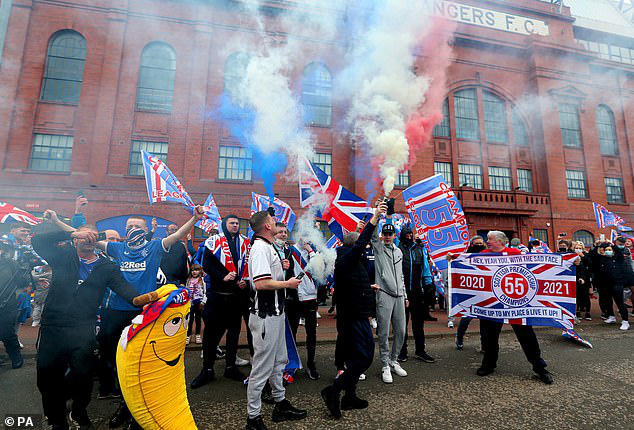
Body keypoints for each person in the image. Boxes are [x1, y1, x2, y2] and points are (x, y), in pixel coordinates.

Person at [92, 208, 203, 427]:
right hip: (116, 310)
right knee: (118, 362)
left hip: (143, 312)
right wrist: (62, 223)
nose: (133, 230)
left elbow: (177, 235)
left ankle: (136, 413)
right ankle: (125, 405)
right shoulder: (117, 247)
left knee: (141, 364)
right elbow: (84, 236)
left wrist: (194, 219)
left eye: (137, 227)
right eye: (129, 228)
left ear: (147, 231)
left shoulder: (154, 246)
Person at [31, 218, 141, 430]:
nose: (89, 239)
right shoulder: (62, 256)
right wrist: (72, 233)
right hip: (53, 327)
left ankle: (78, 412)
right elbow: (38, 242)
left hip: (83, 329)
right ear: (75, 240)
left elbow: (126, 291)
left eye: (93, 236)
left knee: (83, 375)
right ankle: (56, 418)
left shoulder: (106, 266)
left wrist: (150, 301)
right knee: (46, 375)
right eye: (84, 236)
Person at [321, 201, 386, 419]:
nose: (366, 247)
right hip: (352, 317)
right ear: (353, 245)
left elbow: (351, 283)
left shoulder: (351, 261)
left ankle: (349, 396)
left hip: (358, 314)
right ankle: (334, 391)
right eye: (362, 245)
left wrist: (368, 287)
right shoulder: (347, 257)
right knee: (364, 357)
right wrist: (374, 219)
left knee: (356, 356)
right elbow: (362, 243)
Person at [245, 211, 306, 430]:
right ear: (267, 227)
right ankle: (253, 418)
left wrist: (284, 272)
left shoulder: (269, 247)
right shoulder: (260, 248)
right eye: (272, 221)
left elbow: (270, 278)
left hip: (276, 314)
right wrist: (287, 284)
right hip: (265, 316)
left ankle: (280, 404)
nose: (275, 222)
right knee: (261, 368)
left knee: (279, 361)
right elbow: (261, 283)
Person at [476, 231, 553, 384]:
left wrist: (574, 261)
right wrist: (453, 258)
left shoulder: (516, 253)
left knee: (526, 335)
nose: (487, 241)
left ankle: (539, 367)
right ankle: (488, 364)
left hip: (515, 302)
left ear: (500, 241)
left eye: (490, 239)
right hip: (493, 303)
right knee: (489, 336)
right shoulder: (483, 254)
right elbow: (465, 262)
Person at [191, 215, 251, 389]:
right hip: (217, 295)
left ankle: (230, 366)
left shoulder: (245, 242)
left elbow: (247, 265)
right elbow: (207, 265)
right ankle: (207, 369)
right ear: (224, 225)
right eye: (231, 223)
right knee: (210, 333)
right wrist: (222, 276)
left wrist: (244, 280)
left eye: (237, 223)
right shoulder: (213, 242)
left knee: (233, 332)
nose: (235, 225)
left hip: (236, 296)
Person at [276, 224, 320, 380]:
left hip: (311, 298)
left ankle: (311, 363)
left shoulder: (314, 252)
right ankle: (291, 363)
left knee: (311, 333)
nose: (305, 238)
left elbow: (319, 270)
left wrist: (311, 252)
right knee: (292, 331)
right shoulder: (289, 251)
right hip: (293, 298)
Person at [372, 210, 408, 384]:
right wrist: (377, 215)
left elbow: (401, 276)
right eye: (384, 234)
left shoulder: (399, 252)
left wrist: (405, 294)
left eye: (389, 234)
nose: (387, 237)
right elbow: (371, 236)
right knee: (384, 332)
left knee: (401, 331)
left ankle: (394, 361)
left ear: (394, 235)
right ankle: (385, 364)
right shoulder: (378, 249)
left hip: (399, 296)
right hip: (384, 295)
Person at [397, 226, 434, 363]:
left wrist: (429, 285)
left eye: (410, 235)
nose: (409, 237)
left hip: (417, 292)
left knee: (418, 324)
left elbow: (425, 269)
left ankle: (420, 350)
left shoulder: (420, 250)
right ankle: (402, 351)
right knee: (402, 324)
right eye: (406, 235)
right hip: (402, 292)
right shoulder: (397, 248)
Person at [0, 238, 29, 369]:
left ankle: (15, 356)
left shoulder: (10, 264)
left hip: (6, 303)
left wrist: (25, 274)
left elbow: (22, 282)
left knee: (6, 332)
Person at [454, 235, 487, 351]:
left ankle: (484, 344)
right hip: (471, 291)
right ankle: (459, 337)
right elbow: (455, 261)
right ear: (472, 244)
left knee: (485, 320)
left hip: (485, 291)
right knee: (467, 317)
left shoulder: (489, 254)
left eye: (480, 243)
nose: (479, 245)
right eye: (476, 243)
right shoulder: (465, 256)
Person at [591, 240, 630, 330]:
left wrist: (613, 245)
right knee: (608, 301)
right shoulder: (601, 259)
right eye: (606, 250)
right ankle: (611, 316)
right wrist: (596, 245)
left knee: (620, 302)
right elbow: (593, 255)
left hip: (617, 284)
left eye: (610, 249)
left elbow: (620, 253)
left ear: (613, 251)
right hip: (605, 284)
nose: (608, 251)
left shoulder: (618, 258)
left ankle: (625, 321)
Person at [185, 264, 206, 345]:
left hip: (199, 302)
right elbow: (186, 290)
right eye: (193, 270)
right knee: (189, 320)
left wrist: (203, 302)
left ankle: (197, 335)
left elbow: (205, 292)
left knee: (198, 319)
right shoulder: (188, 280)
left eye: (196, 270)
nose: (194, 272)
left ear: (200, 271)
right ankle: (188, 335)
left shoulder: (202, 281)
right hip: (190, 302)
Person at [572, 241, 592, 321]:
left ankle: (588, 312)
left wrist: (583, 256)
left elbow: (590, 265)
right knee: (577, 296)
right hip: (575, 278)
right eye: (576, 248)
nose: (578, 249)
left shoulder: (586, 255)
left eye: (580, 248)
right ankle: (578, 311)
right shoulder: (571, 256)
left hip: (585, 278)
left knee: (586, 296)